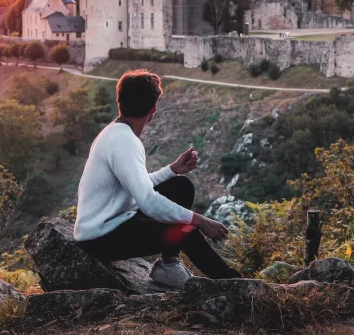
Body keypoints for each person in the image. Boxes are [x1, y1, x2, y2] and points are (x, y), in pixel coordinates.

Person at [73, 70, 241, 288]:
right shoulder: (125, 141)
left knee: (180, 186)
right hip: (101, 238)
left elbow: (137, 187)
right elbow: (148, 201)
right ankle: (234, 285)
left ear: (120, 101)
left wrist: (172, 170)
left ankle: (169, 267)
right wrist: (199, 220)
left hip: (110, 223)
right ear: (153, 110)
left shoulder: (114, 133)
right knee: (186, 232)